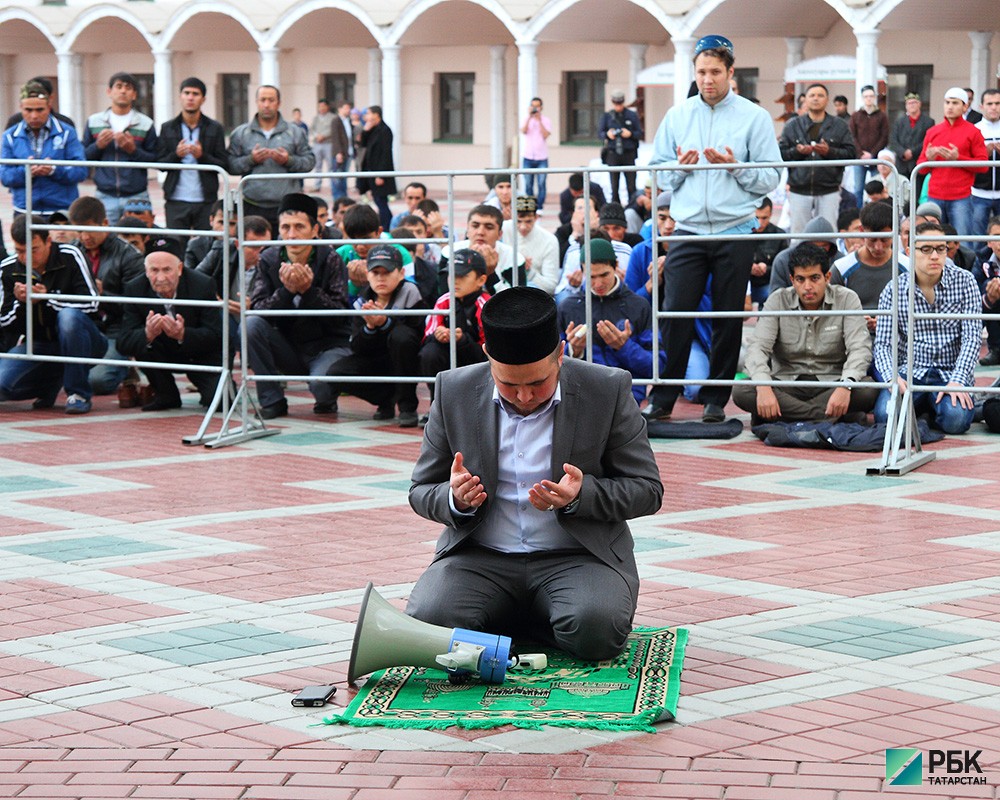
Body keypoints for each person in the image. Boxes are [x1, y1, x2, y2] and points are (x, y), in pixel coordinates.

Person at [405, 286, 663, 661]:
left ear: (561, 354)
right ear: (488, 356)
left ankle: (511, 622)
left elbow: (648, 489)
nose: (524, 397)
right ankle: (528, 619)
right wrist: (453, 499)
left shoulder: (606, 389)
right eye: (509, 384)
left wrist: (582, 495)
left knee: (596, 632)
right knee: (430, 621)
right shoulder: (453, 390)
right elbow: (420, 490)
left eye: (537, 383)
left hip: (578, 555)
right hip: (479, 557)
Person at [643, 34, 781, 423]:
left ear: (730, 72)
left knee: (726, 316)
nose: (708, 79)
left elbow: (772, 176)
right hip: (687, 229)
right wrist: (681, 168)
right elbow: (659, 174)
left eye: (715, 72)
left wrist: (735, 167)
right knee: (675, 313)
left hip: (734, 228)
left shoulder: (754, 117)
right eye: (701, 72)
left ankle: (716, 398)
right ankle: (664, 395)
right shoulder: (677, 115)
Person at [733, 243, 878, 424]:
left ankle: (785, 416)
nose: (808, 286)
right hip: (787, 384)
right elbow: (757, 348)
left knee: (868, 389)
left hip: (832, 384)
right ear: (792, 280)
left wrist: (845, 386)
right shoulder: (778, 300)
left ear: (827, 277)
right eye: (801, 279)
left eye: (814, 278)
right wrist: (763, 387)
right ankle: (830, 417)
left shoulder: (847, 299)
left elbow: (860, 348)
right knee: (741, 390)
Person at [244, 193, 351, 419]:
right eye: (285, 227)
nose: (291, 235)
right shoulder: (269, 258)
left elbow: (340, 315)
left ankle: (326, 397)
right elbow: (259, 308)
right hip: (288, 345)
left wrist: (308, 291)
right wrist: (287, 291)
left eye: (299, 227)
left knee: (321, 386)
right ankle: (272, 400)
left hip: (327, 345)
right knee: (250, 325)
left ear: (315, 230)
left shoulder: (331, 258)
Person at [873, 220, 980, 434]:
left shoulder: (965, 281)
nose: (935, 256)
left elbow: (972, 338)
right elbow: (883, 344)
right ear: (909, 250)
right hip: (909, 371)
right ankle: (925, 410)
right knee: (885, 417)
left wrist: (958, 381)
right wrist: (892, 378)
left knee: (956, 421)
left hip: (950, 374)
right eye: (926, 249)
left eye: (941, 249)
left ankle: (930, 411)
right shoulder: (894, 288)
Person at [0, 215, 104, 414]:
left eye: (33, 250)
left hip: (87, 341)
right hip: (38, 346)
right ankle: (50, 383)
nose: (26, 258)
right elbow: (5, 321)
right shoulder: (8, 268)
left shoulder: (70, 255)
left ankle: (78, 393)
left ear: (48, 240)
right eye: (20, 251)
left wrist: (48, 298)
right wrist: (21, 303)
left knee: (69, 317)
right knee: (2, 386)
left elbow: (93, 303)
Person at [117, 236, 223, 411]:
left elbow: (217, 336)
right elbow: (124, 342)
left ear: (180, 268)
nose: (160, 278)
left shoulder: (202, 285)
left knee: (220, 400)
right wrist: (148, 334)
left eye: (167, 270)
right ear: (145, 270)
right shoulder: (134, 289)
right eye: (154, 270)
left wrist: (183, 334)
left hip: (199, 353)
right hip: (160, 351)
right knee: (142, 342)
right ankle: (166, 395)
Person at [325, 243, 425, 426]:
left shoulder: (410, 292)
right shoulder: (363, 300)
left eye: (387, 272)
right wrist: (370, 328)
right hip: (376, 359)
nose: (381, 278)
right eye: (375, 273)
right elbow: (356, 346)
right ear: (367, 274)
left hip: (406, 360)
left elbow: (416, 331)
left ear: (401, 273)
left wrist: (385, 323)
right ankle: (385, 399)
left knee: (401, 337)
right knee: (335, 373)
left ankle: (407, 407)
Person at [557, 238, 661, 405]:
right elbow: (551, 366)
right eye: (591, 276)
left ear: (616, 266)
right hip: (582, 395)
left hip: (627, 395)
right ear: (582, 272)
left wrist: (624, 347)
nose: (598, 283)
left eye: (604, 275)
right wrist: (574, 351)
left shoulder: (638, 305)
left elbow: (657, 365)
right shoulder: (568, 308)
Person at [68, 195, 146, 395]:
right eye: (79, 231)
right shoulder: (73, 252)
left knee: (98, 381)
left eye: (90, 229)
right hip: (83, 326)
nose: (85, 236)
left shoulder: (128, 255)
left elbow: (136, 308)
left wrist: (103, 295)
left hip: (115, 329)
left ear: (105, 223)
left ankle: (125, 366)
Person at [227, 85, 316, 232]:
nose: (266, 105)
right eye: (263, 100)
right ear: (256, 102)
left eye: (271, 100)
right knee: (253, 250)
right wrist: (251, 160)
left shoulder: (295, 132)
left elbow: (309, 161)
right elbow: (230, 165)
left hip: (287, 204)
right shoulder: (241, 133)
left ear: (279, 103)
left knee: (284, 249)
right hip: (251, 203)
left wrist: (288, 161)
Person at [778, 82, 857, 233]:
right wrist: (798, 151)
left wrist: (829, 152)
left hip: (829, 189)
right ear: (805, 100)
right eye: (812, 95)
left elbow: (851, 154)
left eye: (820, 95)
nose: (816, 98)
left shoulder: (839, 125)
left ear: (827, 100)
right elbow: (781, 154)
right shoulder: (792, 125)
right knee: (798, 236)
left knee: (828, 235)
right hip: (798, 188)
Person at [1, 81, 87, 218]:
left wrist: (54, 169)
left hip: (61, 212)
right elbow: (5, 176)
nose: (34, 115)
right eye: (28, 110)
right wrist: (27, 171)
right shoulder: (10, 136)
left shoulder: (67, 132)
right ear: (21, 108)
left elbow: (81, 171)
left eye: (40, 110)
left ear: (49, 107)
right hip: (25, 211)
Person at [81, 72, 158, 225]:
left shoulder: (145, 123)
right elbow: (83, 157)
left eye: (128, 88)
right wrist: (98, 146)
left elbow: (155, 159)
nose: (123, 91)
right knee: (106, 238)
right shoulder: (94, 121)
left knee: (139, 238)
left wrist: (133, 150)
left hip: (137, 195)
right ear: (109, 92)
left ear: (134, 94)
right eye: (118, 86)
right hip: (104, 194)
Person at [156, 77, 228, 233]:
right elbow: (160, 164)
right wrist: (176, 155)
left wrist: (202, 156)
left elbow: (223, 164)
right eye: (186, 93)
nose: (190, 97)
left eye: (195, 94)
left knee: (205, 245)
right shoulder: (168, 127)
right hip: (175, 199)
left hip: (205, 200)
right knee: (175, 245)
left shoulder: (214, 128)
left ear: (203, 99)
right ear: (180, 96)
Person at [916, 87, 988, 241]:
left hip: (961, 197)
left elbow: (983, 165)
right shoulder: (932, 132)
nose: (950, 106)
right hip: (934, 195)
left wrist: (958, 159)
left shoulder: (973, 132)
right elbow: (921, 168)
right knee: (932, 240)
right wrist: (930, 159)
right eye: (947, 102)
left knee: (963, 243)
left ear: (965, 107)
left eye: (955, 103)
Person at [830, 200, 908, 335]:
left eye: (884, 240)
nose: (878, 247)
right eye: (872, 239)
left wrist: (890, 322)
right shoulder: (842, 268)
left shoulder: (907, 267)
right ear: (861, 231)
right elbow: (827, 310)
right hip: (852, 338)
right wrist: (854, 321)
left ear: (895, 233)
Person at [419, 248, 491, 390]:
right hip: (447, 358)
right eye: (451, 275)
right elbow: (427, 337)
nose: (455, 281)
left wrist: (463, 341)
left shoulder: (487, 305)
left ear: (481, 280)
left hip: (475, 362)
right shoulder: (443, 301)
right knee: (430, 353)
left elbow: (489, 353)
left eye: (462, 276)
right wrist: (438, 336)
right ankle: (437, 404)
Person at [438, 205, 526, 296]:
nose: (480, 232)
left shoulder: (513, 258)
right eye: (475, 226)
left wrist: (491, 275)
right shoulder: (450, 253)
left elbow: (516, 303)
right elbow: (444, 295)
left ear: (499, 234)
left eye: (489, 227)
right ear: (467, 230)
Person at [501, 195, 560, 295]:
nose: (523, 227)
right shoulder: (502, 230)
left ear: (536, 217)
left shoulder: (549, 240)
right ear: (512, 216)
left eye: (528, 221)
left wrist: (528, 271)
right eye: (518, 221)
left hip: (534, 295)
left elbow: (551, 287)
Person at [598, 91, 643, 206]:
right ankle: (615, 206)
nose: (618, 105)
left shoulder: (631, 115)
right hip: (613, 154)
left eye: (620, 103)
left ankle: (632, 207)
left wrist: (630, 134)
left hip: (628, 153)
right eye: (616, 103)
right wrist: (608, 135)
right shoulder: (608, 116)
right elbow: (600, 133)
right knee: (614, 185)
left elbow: (639, 133)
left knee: (631, 185)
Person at [849, 85, 889, 208]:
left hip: (876, 158)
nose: (869, 99)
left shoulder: (881, 116)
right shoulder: (856, 116)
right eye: (866, 96)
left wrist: (872, 154)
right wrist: (861, 153)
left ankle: (876, 210)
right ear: (862, 98)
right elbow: (852, 136)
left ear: (875, 97)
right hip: (859, 158)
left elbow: (884, 136)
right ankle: (858, 214)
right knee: (858, 189)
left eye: (871, 96)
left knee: (876, 188)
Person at [357, 105, 396, 232]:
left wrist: (381, 175)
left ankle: (387, 227)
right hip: (371, 171)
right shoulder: (372, 129)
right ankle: (387, 224)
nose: (366, 116)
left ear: (376, 115)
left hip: (379, 172)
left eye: (368, 114)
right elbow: (362, 144)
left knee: (381, 201)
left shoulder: (385, 130)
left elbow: (386, 154)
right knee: (378, 200)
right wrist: (365, 130)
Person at [889, 92, 935, 195]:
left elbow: (928, 141)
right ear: (906, 106)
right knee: (901, 194)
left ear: (919, 104)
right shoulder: (899, 122)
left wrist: (912, 152)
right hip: (902, 163)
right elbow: (893, 140)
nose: (912, 105)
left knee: (916, 194)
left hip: (918, 162)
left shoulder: (929, 122)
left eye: (914, 102)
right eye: (909, 103)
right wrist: (903, 152)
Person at [971, 89, 1000, 243]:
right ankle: (977, 268)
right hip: (979, 193)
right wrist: (982, 154)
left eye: (997, 103)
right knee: (978, 238)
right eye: (990, 104)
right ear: (982, 106)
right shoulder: (974, 129)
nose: (994, 107)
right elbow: (967, 159)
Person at [749, 197, 788, 308]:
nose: (760, 223)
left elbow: (785, 267)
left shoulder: (779, 235)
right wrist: (748, 268)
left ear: (771, 214)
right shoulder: (741, 234)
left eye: (764, 218)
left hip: (769, 285)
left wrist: (767, 269)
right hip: (744, 284)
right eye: (756, 218)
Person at [975, 215, 1000, 366]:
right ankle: (997, 350)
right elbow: (973, 299)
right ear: (989, 242)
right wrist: (989, 298)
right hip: (992, 310)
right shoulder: (980, 259)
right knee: (988, 286)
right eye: (997, 237)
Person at [521, 97, 551, 212]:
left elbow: (545, 135)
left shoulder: (546, 120)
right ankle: (530, 207)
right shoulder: (526, 119)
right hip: (528, 156)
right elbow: (523, 131)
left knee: (541, 183)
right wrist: (529, 117)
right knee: (528, 183)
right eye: (533, 106)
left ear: (541, 107)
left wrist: (539, 121)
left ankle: (540, 207)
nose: (535, 108)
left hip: (541, 157)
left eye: (537, 106)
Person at [309, 99, 335, 192]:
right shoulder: (316, 118)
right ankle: (317, 185)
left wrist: (324, 136)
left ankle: (333, 186)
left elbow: (332, 129)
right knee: (317, 165)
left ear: (327, 107)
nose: (321, 108)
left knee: (331, 166)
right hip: (317, 144)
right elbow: (311, 129)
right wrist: (317, 136)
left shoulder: (332, 117)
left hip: (328, 144)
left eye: (323, 106)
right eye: (320, 106)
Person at [332, 101, 355, 200]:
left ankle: (344, 197)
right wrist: (338, 153)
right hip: (340, 153)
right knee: (337, 176)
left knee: (344, 176)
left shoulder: (348, 121)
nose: (348, 110)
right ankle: (338, 197)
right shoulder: (336, 121)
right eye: (346, 108)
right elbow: (336, 138)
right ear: (340, 109)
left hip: (348, 152)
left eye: (349, 108)